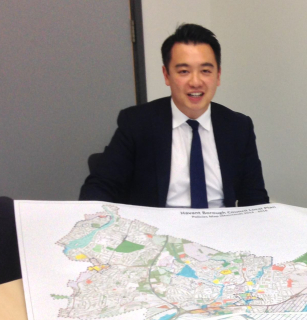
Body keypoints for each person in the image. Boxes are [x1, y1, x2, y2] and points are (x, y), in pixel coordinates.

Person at [79, 23, 269, 208]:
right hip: (159, 227)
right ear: (166, 75)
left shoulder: (238, 127)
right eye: (184, 71)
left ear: (218, 75)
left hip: (220, 225)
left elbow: (255, 198)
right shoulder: (137, 123)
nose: (195, 82)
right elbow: (100, 187)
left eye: (205, 71)